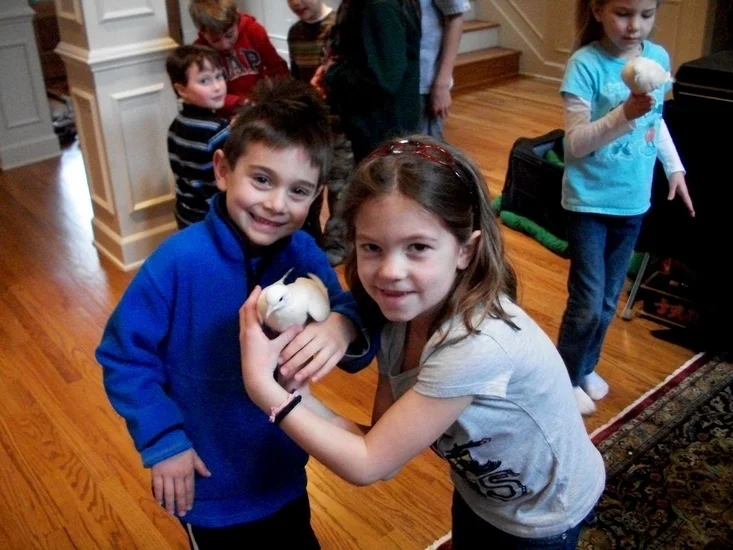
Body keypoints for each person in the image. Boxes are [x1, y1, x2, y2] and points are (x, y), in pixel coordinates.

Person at [238, 135, 605, 549]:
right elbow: (378, 442)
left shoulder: (475, 344)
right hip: (481, 494)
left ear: (466, 250)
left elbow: (369, 463)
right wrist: (296, 393)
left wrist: (263, 389)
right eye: (372, 247)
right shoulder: (401, 319)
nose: (391, 272)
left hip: (546, 511)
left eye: (418, 247)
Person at [95, 79, 378, 549]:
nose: (275, 204)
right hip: (209, 485)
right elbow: (124, 357)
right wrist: (164, 441)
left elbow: (346, 310)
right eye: (262, 179)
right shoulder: (177, 263)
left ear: (317, 198)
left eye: (298, 190)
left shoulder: (305, 254)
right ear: (223, 169)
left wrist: (342, 326)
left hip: (283, 468)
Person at [557, 0, 695, 415]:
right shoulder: (585, 65)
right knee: (586, 302)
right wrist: (624, 114)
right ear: (597, 10)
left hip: (632, 201)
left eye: (647, 15)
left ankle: (584, 368)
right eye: (623, 13)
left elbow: (658, 120)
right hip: (589, 202)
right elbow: (575, 144)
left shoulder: (657, 58)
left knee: (607, 301)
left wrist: (674, 167)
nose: (635, 26)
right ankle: (563, 379)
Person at [286, 0, 353, 266]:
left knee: (340, 188)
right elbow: (296, 79)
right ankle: (307, 237)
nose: (297, 3)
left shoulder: (338, 26)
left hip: (339, 126)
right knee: (307, 184)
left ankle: (337, 242)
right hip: (309, 127)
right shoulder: (295, 34)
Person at [312, 0, 422, 162]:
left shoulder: (379, 5)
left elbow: (384, 79)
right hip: (379, 129)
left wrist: (332, 73)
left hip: (380, 131)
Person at [166, 45, 231, 229]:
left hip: (186, 213)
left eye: (219, 76)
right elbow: (232, 177)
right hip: (214, 218)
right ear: (181, 90)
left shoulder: (176, 125)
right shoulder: (218, 131)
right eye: (205, 81)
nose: (217, 87)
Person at [190, 0, 290, 118]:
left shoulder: (254, 31)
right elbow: (208, 91)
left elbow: (277, 67)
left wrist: (281, 94)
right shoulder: (200, 50)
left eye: (230, 35)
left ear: (237, 21)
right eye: (215, 40)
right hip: (228, 114)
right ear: (202, 32)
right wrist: (237, 103)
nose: (225, 44)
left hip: (262, 105)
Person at [418, 0, 471, 140]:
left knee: (426, 152)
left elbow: (455, 18)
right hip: (392, 82)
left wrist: (442, 84)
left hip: (425, 82)